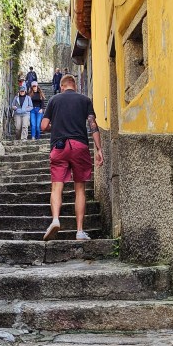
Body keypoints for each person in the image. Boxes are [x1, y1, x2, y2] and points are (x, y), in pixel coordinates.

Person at [40, 73, 103, 240]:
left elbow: (43, 126)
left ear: (62, 86)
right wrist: (99, 149)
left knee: (56, 186)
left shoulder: (54, 100)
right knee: (80, 188)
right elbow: (93, 125)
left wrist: (56, 126)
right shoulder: (85, 100)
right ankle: (80, 231)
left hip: (59, 147)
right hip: (79, 146)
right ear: (74, 85)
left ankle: (55, 220)